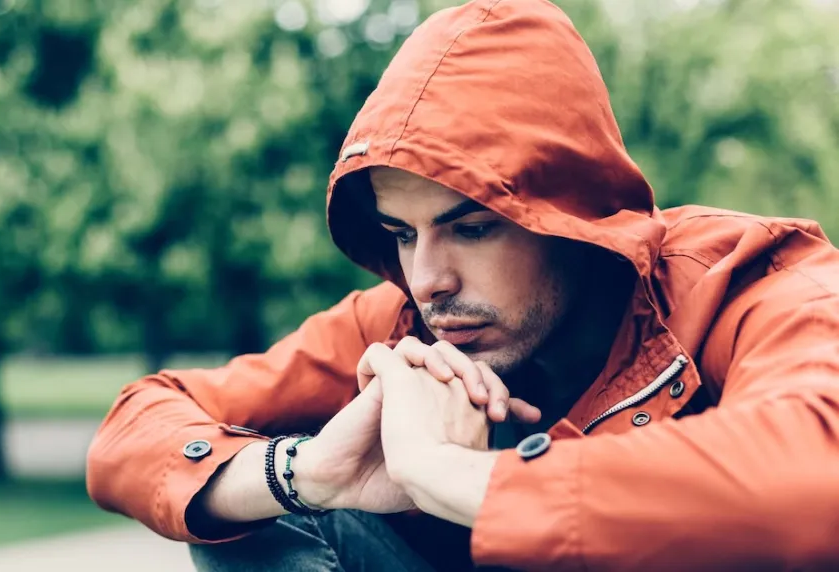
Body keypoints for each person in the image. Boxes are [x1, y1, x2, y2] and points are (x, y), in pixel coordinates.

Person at [85, 0, 839, 570]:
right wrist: (305, 473)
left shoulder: (751, 280)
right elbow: (136, 426)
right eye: (403, 234)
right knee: (265, 522)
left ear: (567, 214)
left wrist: (449, 475)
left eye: (473, 228)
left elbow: (816, 473)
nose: (429, 279)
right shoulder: (403, 323)